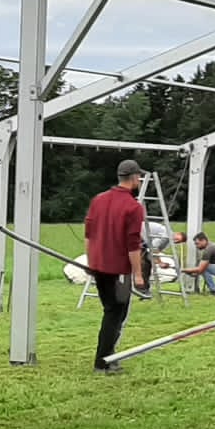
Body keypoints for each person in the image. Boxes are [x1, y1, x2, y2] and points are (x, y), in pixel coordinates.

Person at [84, 159, 148, 372]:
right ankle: (103, 361)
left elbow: (88, 235)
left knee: (110, 310)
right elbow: (133, 245)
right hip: (118, 269)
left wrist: (90, 262)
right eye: (139, 177)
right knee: (115, 313)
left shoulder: (98, 200)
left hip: (98, 267)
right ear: (135, 178)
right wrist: (138, 274)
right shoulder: (133, 207)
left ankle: (108, 356)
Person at [176, 230, 215, 296]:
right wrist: (192, 273)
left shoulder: (209, 249)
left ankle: (213, 290)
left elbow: (201, 269)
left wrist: (182, 270)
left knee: (205, 267)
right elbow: (200, 271)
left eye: (197, 243)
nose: (196, 246)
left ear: (203, 240)